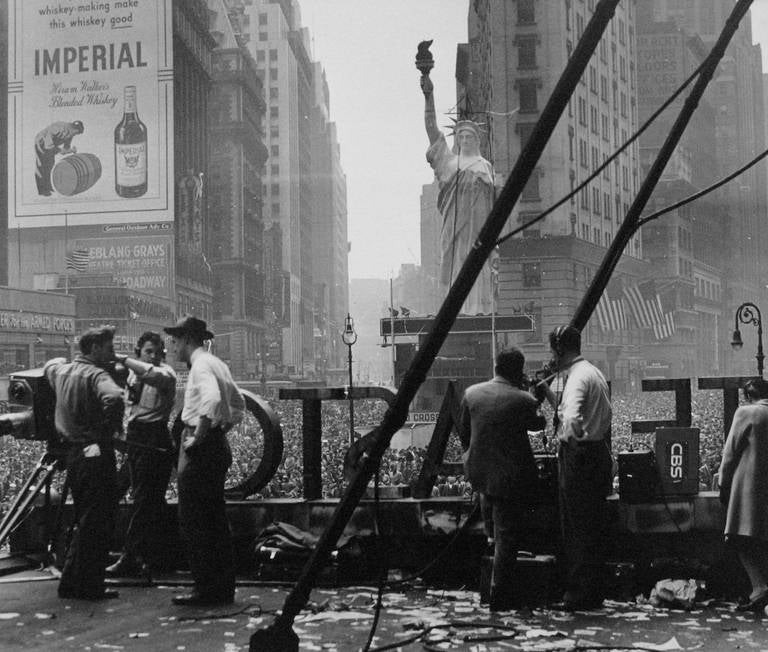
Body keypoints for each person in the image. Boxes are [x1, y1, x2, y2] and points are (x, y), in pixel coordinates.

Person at [164, 315, 244, 606]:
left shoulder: (200, 366)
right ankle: (221, 588)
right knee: (215, 521)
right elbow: (238, 405)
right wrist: (222, 428)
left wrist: (198, 436)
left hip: (199, 449)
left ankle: (205, 588)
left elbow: (210, 400)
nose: (172, 347)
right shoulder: (217, 363)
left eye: (175, 341)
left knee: (194, 521)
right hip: (216, 445)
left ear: (187, 339)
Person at [459, 347, 545, 611]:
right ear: (518, 372)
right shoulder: (523, 400)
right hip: (509, 477)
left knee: (492, 531)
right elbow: (537, 425)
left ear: (496, 366)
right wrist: (535, 397)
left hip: (480, 473)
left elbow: (464, 432)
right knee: (507, 537)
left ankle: (489, 554)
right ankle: (499, 595)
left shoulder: (471, 394)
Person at [43, 326, 125, 600]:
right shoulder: (97, 375)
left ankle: (70, 581)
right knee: (98, 521)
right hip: (96, 453)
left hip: (74, 455)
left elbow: (49, 366)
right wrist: (109, 429)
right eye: (109, 348)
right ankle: (90, 586)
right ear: (94, 349)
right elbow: (114, 397)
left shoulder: (61, 372)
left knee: (84, 518)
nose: (112, 354)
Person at [540, 325, 612, 611]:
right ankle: (592, 591)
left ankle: (577, 595)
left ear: (559, 349)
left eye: (552, 351)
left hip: (578, 457)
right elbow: (573, 410)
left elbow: (571, 420)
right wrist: (546, 391)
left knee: (575, 527)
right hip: (596, 455)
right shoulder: (591, 372)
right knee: (592, 526)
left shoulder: (576, 379)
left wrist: (570, 444)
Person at [421, 69, 500, 316]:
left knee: (476, 263)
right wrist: (428, 94)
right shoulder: (450, 162)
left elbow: (495, 205)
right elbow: (432, 129)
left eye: (469, 136)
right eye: (461, 135)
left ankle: (478, 310)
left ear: (476, 140)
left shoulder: (485, 167)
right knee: (456, 262)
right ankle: (456, 310)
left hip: (478, 229)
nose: (465, 139)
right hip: (454, 228)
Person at [106, 332, 177, 579]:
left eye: (158, 352)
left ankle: (131, 558)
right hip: (135, 440)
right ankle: (162, 557)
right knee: (146, 500)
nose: (155, 356)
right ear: (140, 351)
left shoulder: (166, 373)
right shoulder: (131, 376)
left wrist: (122, 359)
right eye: (149, 351)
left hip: (153, 440)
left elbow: (152, 374)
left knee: (144, 501)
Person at [719, 378, 768, 612]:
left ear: (748, 396)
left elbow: (730, 453)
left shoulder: (746, 412)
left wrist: (722, 482)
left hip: (749, 486)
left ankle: (759, 588)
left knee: (741, 537)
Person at [34, 120, 84, 196]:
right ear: (75, 129)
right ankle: (42, 190)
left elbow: (65, 150)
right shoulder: (59, 128)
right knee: (42, 165)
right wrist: (59, 150)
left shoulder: (70, 134)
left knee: (50, 165)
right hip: (41, 142)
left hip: (50, 146)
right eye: (76, 133)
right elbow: (48, 145)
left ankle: (48, 186)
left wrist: (71, 150)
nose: (75, 135)